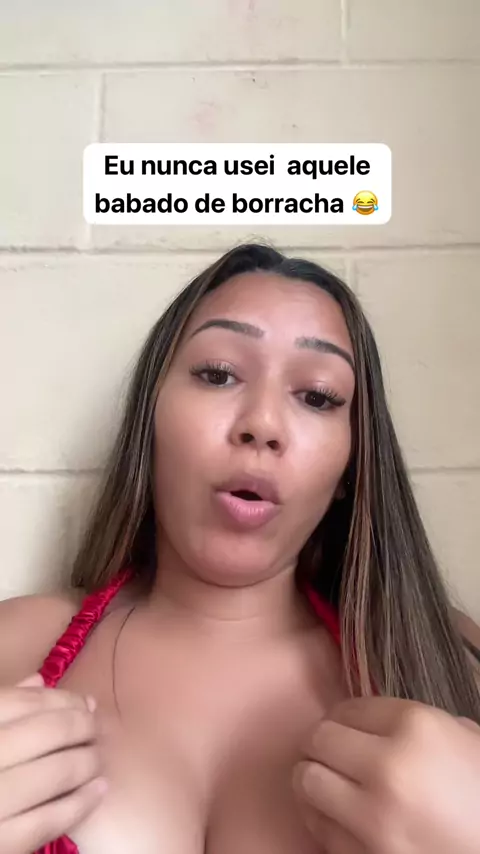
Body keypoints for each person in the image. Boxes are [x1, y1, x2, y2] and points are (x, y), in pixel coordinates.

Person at [0, 242, 479, 854]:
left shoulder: (447, 659)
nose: (263, 424)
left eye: (318, 396)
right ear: (150, 420)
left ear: (352, 465)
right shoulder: (14, 645)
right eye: (218, 374)